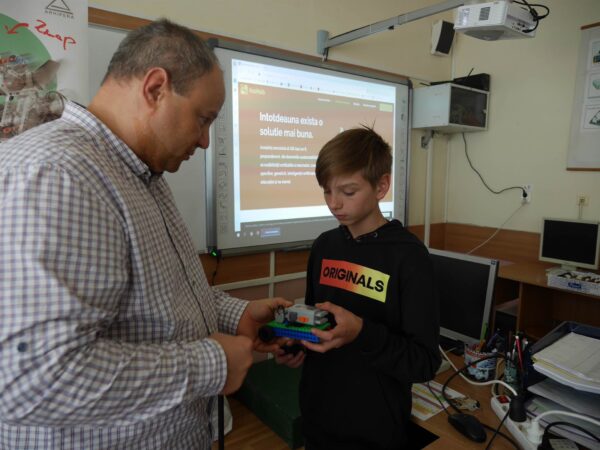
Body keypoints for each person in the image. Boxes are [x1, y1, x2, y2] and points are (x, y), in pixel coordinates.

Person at [0, 19, 290, 449]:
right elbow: (35, 378)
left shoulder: (138, 172)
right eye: (203, 119)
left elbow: (164, 293)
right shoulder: (59, 174)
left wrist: (238, 314)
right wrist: (211, 365)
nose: (205, 141)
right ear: (155, 88)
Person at [276, 126, 441, 450]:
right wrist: (298, 344)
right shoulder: (324, 246)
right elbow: (317, 320)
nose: (334, 203)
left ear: (381, 186)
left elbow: (423, 362)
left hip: (373, 430)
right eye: (327, 191)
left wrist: (362, 333)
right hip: (318, 420)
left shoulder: (409, 257)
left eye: (348, 192)